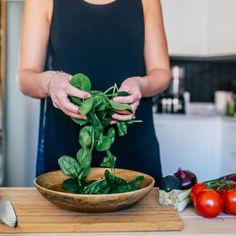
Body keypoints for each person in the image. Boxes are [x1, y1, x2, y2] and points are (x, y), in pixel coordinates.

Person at [18, 0, 170, 185]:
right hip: (67, 147)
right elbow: (25, 78)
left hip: (135, 145)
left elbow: (162, 73)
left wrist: (140, 84)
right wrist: (51, 82)